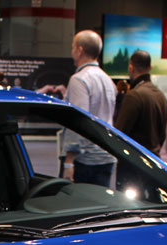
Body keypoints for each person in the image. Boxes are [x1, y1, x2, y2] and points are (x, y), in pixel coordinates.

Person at [61, 30, 117, 186]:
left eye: (73, 48)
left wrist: (69, 162)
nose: (72, 52)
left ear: (80, 50)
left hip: (84, 160)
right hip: (106, 156)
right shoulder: (108, 80)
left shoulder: (79, 80)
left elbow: (77, 120)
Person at [114, 50, 167, 193]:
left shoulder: (134, 96)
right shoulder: (161, 96)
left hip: (133, 166)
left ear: (131, 67)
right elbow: (163, 135)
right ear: (150, 67)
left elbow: (120, 133)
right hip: (155, 162)